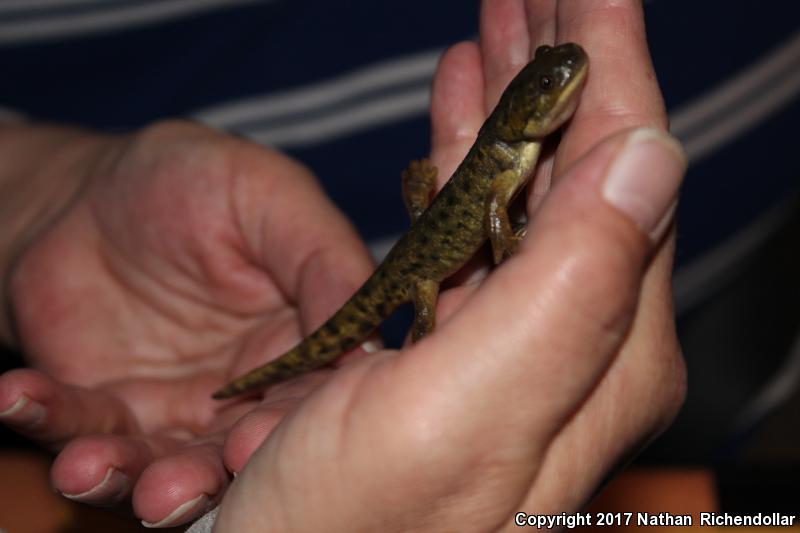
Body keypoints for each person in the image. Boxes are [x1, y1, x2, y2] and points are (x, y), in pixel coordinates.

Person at [0, 0, 686, 529]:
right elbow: (497, 215)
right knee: (418, 305)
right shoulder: (508, 158)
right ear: (527, 114)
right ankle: (369, 343)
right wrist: (508, 251)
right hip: (416, 272)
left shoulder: (509, 151)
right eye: (549, 83)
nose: (566, 77)